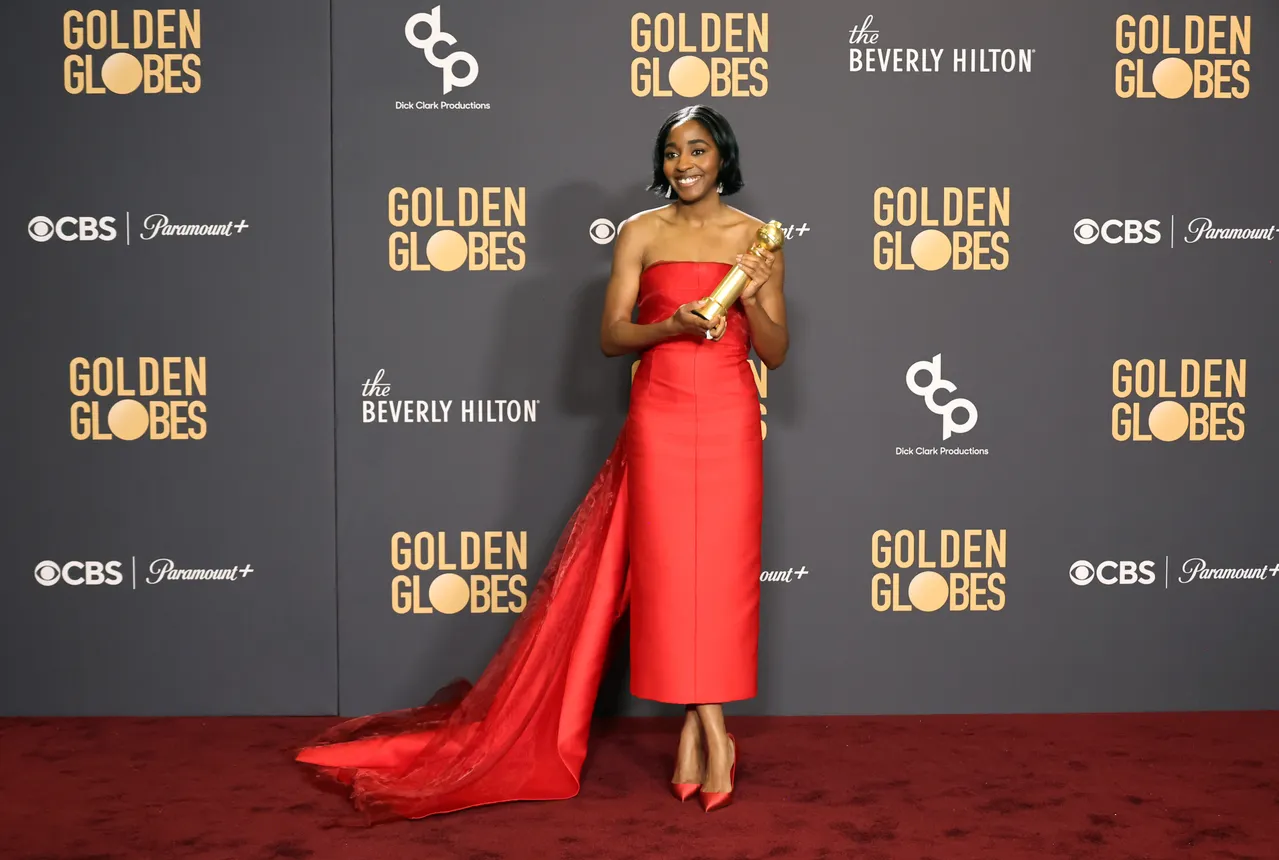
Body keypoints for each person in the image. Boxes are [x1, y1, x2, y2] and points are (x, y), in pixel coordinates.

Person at [295, 104, 789, 820]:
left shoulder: (756, 240)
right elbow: (612, 336)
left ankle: (695, 727)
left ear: (722, 159)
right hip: (659, 413)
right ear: (662, 164)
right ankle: (714, 729)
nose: (684, 164)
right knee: (668, 577)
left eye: (698, 151)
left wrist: (756, 287)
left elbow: (773, 349)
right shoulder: (640, 234)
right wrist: (669, 326)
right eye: (673, 152)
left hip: (729, 415)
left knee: (720, 577)